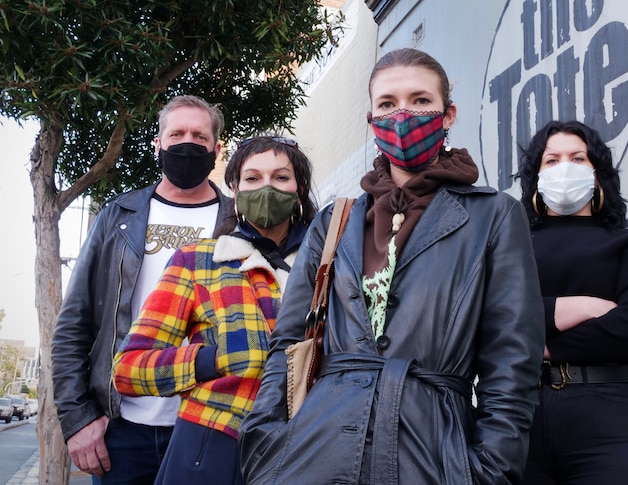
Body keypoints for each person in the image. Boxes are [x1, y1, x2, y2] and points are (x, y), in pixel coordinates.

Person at [239, 47, 545, 485]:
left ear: (448, 114)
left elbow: (512, 362)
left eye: (420, 101)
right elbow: (287, 342)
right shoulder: (335, 220)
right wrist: (266, 444)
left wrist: (490, 471)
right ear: (371, 120)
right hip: (313, 452)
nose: (403, 115)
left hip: (432, 453)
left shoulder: (493, 215)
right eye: (387, 104)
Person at [111, 135, 317, 484]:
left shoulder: (326, 263)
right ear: (235, 190)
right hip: (213, 447)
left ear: (299, 191)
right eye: (253, 178)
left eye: (281, 177)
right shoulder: (198, 260)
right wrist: (214, 360)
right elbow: (128, 370)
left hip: (305, 447)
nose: (266, 188)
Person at [51, 94, 233, 484]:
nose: (188, 143)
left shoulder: (238, 220)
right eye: (177, 134)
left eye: (200, 137)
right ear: (158, 145)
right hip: (122, 428)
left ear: (217, 150)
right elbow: (74, 322)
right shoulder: (118, 216)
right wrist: (77, 418)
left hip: (209, 426)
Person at [517, 120, 628, 484]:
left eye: (578, 157)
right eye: (551, 160)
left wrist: (543, 345)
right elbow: (491, 320)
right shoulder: (511, 250)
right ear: (536, 177)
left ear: (597, 174)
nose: (564, 167)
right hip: (517, 416)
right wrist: (582, 307)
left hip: (608, 417)